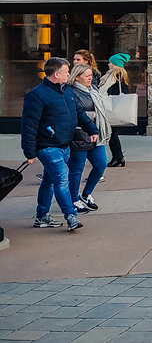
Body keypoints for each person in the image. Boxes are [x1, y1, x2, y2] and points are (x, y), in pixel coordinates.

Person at [21, 57, 98, 231]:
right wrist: (30, 153)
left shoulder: (67, 91)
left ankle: (41, 216)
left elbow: (79, 113)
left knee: (49, 180)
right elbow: (29, 125)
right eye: (66, 71)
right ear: (56, 74)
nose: (69, 74)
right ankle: (71, 216)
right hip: (47, 145)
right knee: (62, 179)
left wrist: (92, 129)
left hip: (64, 144)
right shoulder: (37, 95)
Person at [66, 63, 110, 214]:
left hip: (95, 133)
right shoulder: (70, 91)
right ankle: (73, 200)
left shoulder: (93, 89)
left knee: (100, 164)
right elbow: (74, 114)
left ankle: (85, 194)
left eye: (91, 76)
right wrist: (94, 116)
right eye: (87, 76)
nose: (90, 78)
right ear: (77, 77)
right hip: (79, 135)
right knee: (76, 170)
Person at [101, 53, 131, 166]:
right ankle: (117, 157)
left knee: (112, 135)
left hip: (112, 109)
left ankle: (118, 157)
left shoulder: (114, 77)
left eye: (110, 63)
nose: (108, 65)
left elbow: (108, 92)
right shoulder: (120, 77)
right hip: (115, 109)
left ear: (115, 65)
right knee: (112, 135)